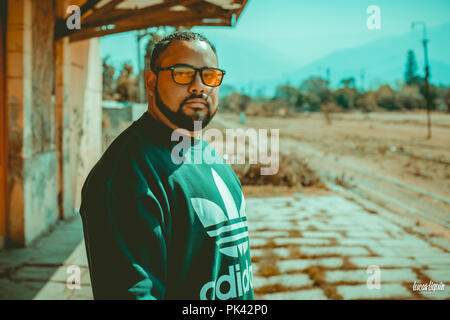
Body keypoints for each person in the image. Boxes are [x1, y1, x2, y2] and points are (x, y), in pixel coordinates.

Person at [79, 31, 254, 300]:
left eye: (210, 75)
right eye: (183, 73)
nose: (199, 86)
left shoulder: (209, 157)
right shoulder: (127, 176)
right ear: (151, 81)